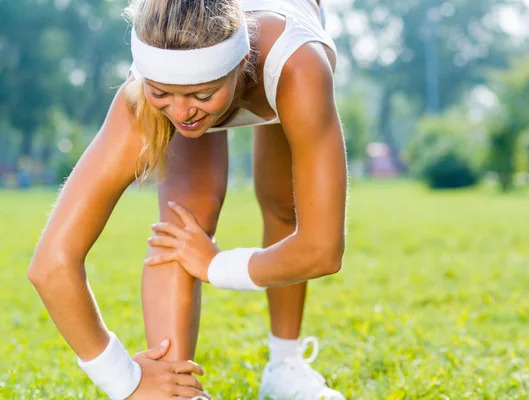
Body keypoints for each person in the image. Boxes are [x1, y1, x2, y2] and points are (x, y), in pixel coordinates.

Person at [27, 0, 347, 398]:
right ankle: (176, 393)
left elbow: (321, 251)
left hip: (276, 57)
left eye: (200, 93)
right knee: (181, 225)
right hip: (212, 67)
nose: (180, 113)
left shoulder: (298, 66)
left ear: (239, 62)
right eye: (162, 92)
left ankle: (284, 366)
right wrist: (124, 381)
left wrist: (216, 265)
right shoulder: (144, 98)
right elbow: (51, 265)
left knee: (283, 204)